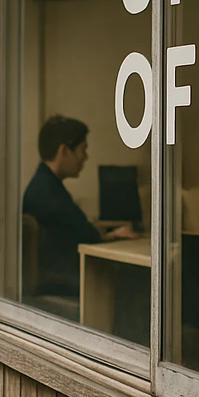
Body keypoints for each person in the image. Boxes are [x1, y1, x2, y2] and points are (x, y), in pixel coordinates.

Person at [23, 115, 137, 297]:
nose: (85, 157)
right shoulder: (47, 193)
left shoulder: (44, 185)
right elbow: (87, 236)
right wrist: (114, 235)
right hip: (63, 282)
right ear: (64, 151)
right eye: (82, 150)